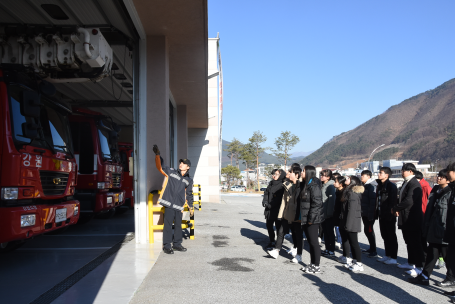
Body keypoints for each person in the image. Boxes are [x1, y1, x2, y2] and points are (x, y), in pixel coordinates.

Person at [408, 169, 452, 285]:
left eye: (441, 177)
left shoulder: (450, 192)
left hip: (443, 230)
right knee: (432, 253)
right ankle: (424, 276)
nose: (438, 178)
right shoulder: (436, 190)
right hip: (433, 227)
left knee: (447, 256)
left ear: (447, 179)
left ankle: (451, 278)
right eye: (438, 176)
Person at [153, 145, 193, 254]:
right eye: (180, 163)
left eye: (183, 163)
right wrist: (158, 155)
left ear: (188, 167)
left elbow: (189, 194)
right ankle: (167, 246)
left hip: (179, 206)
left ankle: (177, 244)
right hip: (169, 204)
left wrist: (191, 207)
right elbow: (160, 166)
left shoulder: (189, 180)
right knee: (168, 225)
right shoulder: (171, 172)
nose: (181, 164)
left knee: (178, 226)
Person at [393, 163, 425, 274]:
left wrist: (396, 207)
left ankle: (419, 267)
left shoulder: (414, 183)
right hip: (405, 216)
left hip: (413, 218)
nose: (402, 172)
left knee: (415, 242)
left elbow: (408, 201)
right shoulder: (406, 182)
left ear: (410, 171)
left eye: (403, 171)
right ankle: (410, 262)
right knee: (409, 241)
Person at [268, 167, 302, 261]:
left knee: (297, 234)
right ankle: (276, 250)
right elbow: (284, 202)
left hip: (297, 214)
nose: (288, 174)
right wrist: (281, 214)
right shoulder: (288, 184)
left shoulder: (301, 186)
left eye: (290, 172)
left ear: (296, 174)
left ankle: (298, 253)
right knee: (281, 231)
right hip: (287, 213)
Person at [300, 165, 324, 274]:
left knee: (314, 242)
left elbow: (317, 204)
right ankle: (312, 263)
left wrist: (310, 219)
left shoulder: (314, 186)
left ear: (309, 172)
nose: (301, 172)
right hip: (306, 218)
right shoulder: (306, 184)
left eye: (303, 171)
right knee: (310, 242)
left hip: (312, 219)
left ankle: (316, 266)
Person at [339, 176, 365, 272]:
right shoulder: (348, 191)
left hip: (352, 222)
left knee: (354, 243)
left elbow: (352, 211)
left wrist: (348, 225)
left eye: (348, 179)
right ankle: (355, 261)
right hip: (349, 221)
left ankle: (359, 263)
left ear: (353, 182)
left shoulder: (353, 193)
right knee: (351, 242)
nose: (346, 180)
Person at [375, 167, 399, 265]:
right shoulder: (380, 185)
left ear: (386, 175)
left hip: (389, 215)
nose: (379, 174)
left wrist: (390, 213)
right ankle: (387, 255)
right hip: (381, 214)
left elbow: (392, 202)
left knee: (391, 236)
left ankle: (393, 257)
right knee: (384, 235)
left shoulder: (391, 186)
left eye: (381, 173)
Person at [439, 163, 455, 290]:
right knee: (451, 258)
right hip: (451, 229)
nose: (447, 174)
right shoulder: (452, 188)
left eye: (449, 171)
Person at [262, 169, 286, 249]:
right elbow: (266, 193)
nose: (273, 175)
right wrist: (265, 201)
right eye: (273, 174)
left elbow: (279, 198)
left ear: (281, 175)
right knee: (269, 226)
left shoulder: (282, 185)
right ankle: (272, 241)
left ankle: (279, 244)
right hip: (269, 210)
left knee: (279, 228)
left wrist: (270, 205)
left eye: (276, 174)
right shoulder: (271, 183)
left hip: (278, 210)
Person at [360, 170, 378, 258]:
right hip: (364, 212)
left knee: (370, 231)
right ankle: (371, 248)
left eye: (363, 176)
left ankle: (374, 250)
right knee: (367, 230)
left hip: (369, 214)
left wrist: (371, 215)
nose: (361, 177)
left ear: (368, 176)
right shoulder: (365, 185)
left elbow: (372, 202)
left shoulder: (372, 186)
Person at [415, 170, 431, 261]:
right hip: (422, 214)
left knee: (422, 239)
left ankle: (423, 259)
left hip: (423, 215)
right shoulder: (423, 186)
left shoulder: (424, 187)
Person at [320, 169, 337, 257]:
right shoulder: (324, 185)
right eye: (321, 175)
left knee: (330, 232)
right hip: (323, 212)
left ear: (328, 177)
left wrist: (329, 213)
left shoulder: (330, 186)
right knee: (325, 232)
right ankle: (327, 248)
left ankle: (331, 250)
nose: (321, 177)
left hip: (328, 214)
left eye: (323, 175)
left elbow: (332, 201)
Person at [333, 175, 346, 259]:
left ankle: (346, 255)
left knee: (344, 236)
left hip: (342, 217)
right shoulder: (337, 191)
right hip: (337, 215)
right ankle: (345, 254)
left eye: (336, 182)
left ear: (341, 184)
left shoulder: (344, 192)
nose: (334, 183)